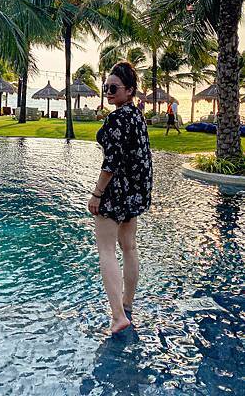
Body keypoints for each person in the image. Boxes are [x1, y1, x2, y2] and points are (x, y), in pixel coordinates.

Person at [88, 61, 153, 334]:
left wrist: (97, 194)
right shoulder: (137, 116)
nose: (108, 92)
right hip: (134, 191)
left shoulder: (117, 119)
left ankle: (117, 316)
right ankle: (127, 304)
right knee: (129, 247)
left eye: (113, 88)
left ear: (129, 90)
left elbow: (111, 163)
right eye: (106, 87)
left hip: (116, 190)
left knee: (106, 249)